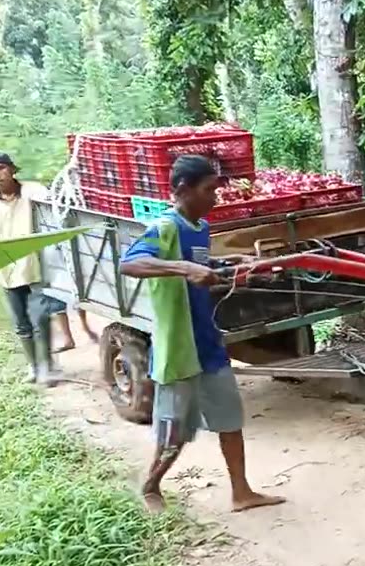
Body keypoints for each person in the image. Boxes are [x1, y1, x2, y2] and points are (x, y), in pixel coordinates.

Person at [119, 154, 285, 513]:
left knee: (230, 419)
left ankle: (241, 492)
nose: (215, 197)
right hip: (179, 347)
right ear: (182, 189)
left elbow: (201, 266)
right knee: (175, 430)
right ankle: (150, 487)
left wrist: (233, 266)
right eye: (209, 190)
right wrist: (183, 268)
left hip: (207, 341)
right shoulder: (164, 226)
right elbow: (129, 263)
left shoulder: (200, 227)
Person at [0, 151, 60, 384]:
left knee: (41, 318)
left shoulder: (35, 192)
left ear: (12, 169)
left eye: (1, 168)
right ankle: (33, 366)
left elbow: (55, 213)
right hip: (7, 271)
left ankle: (47, 366)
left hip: (36, 266)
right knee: (21, 323)